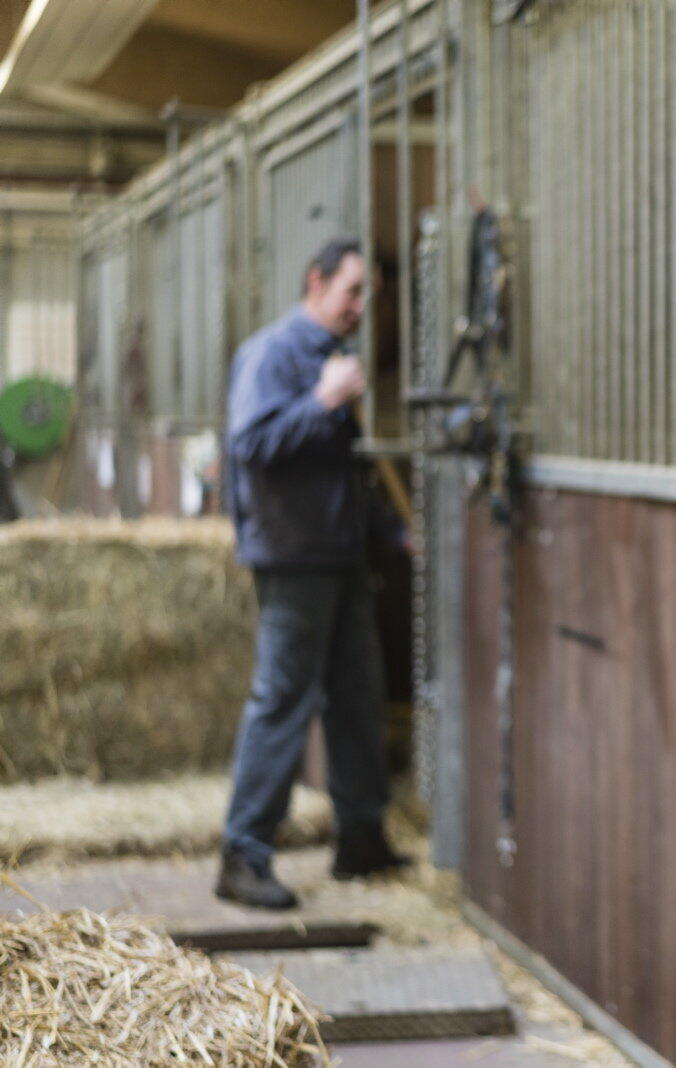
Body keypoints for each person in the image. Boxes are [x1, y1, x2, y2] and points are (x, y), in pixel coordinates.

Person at [216, 237, 409, 910]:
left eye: (369, 297)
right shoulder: (274, 353)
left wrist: (392, 534)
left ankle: (361, 837)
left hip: (340, 554)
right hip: (294, 557)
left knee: (358, 694)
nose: (360, 307)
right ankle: (243, 854)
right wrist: (321, 401)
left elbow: (344, 470)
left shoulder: (331, 357)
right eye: (352, 291)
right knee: (283, 700)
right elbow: (250, 445)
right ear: (315, 281)